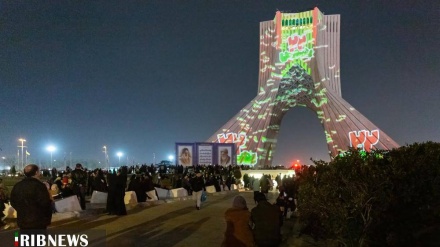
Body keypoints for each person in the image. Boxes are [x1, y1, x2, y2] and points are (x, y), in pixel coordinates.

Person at [10, 164, 52, 230]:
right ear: (36, 172)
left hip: (23, 221)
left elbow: (13, 201)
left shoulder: (18, 186)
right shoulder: (39, 186)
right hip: (38, 221)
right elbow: (45, 203)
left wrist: (22, 210)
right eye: (39, 171)